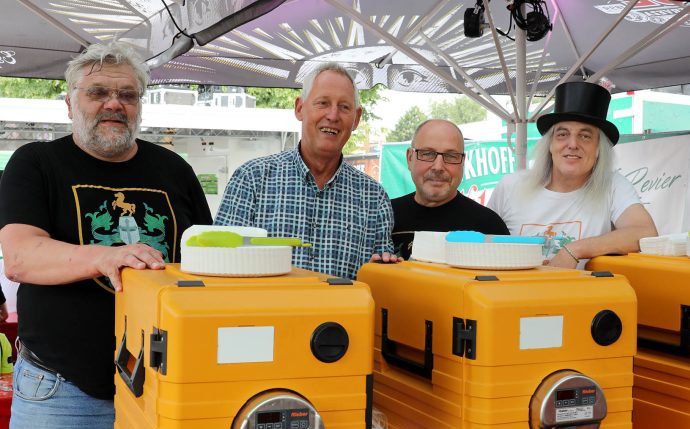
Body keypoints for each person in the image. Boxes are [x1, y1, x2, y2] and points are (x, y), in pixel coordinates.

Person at [0, 41, 212, 429]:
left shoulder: (174, 170)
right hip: (61, 390)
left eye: (128, 95)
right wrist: (106, 254)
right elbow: (21, 256)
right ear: (69, 101)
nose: (114, 104)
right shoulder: (36, 163)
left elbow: (198, 264)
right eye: (98, 92)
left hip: (155, 390)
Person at [215, 62, 395, 279]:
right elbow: (219, 265)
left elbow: (378, 284)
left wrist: (386, 269)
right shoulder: (252, 180)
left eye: (344, 107)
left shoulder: (374, 198)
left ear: (356, 118)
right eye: (323, 103)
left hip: (341, 314)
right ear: (299, 108)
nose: (333, 115)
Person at [488, 81, 657, 268]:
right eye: (562, 134)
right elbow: (483, 245)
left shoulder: (612, 185)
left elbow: (645, 232)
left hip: (582, 296)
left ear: (598, 148)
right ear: (550, 144)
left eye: (585, 136)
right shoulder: (511, 186)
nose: (573, 144)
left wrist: (573, 250)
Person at [391, 119, 509, 259]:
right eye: (428, 154)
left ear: (463, 163)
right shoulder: (382, 217)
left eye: (451, 156)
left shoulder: (490, 227)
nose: (438, 167)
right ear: (410, 158)